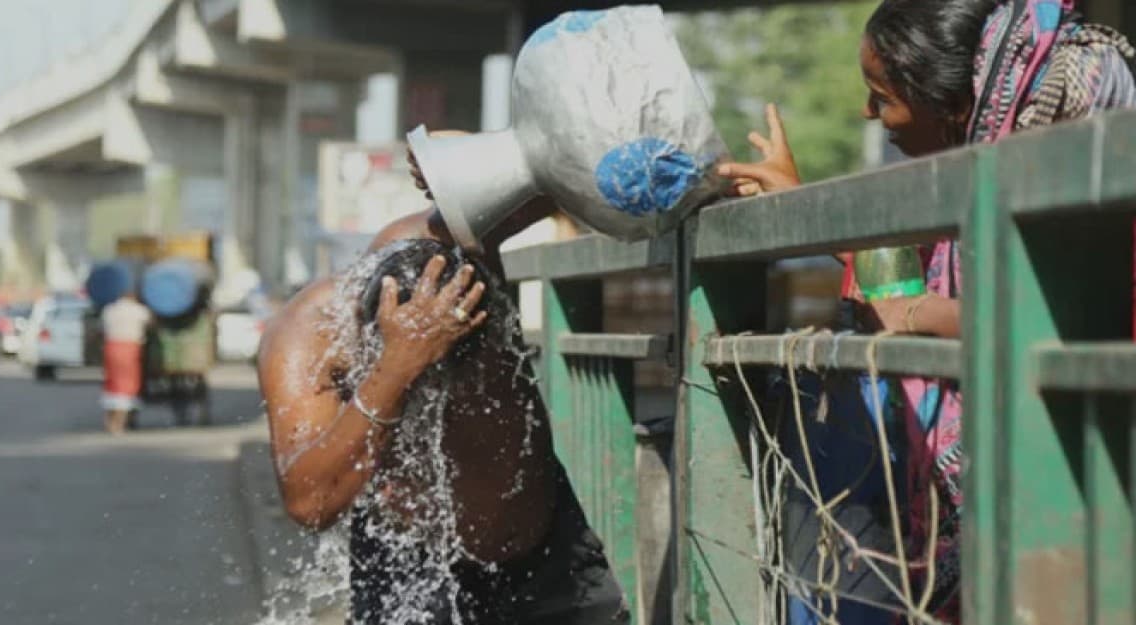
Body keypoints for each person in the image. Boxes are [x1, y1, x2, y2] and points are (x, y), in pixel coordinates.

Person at [720, 0, 1136, 621]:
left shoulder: (1073, 162)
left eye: (881, 96)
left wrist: (922, 315)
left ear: (952, 102)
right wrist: (800, 203)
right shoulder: (987, 177)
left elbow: (1061, 318)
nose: (868, 113)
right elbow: (918, 283)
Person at [258, 188, 630, 623]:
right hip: (408, 564)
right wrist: (396, 370)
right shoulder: (308, 335)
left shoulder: (460, 235)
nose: (441, 393)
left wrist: (700, 183)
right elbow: (309, 503)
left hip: (545, 556)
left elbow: (565, 171)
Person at [101, 292, 153, 434]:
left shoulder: (109, 310)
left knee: (112, 384)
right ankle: (118, 423)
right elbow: (151, 323)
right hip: (130, 349)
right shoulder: (138, 310)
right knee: (126, 385)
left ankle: (109, 420)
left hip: (111, 348)